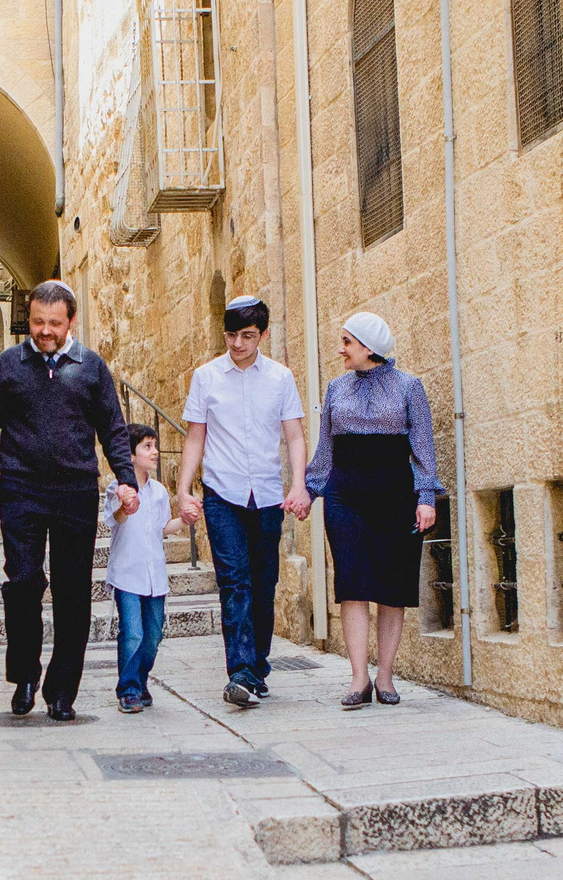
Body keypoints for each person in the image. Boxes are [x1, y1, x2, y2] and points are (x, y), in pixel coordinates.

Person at [0, 280, 140, 721]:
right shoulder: (9, 364)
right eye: (38, 322)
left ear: (71, 322)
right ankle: (25, 674)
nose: (45, 331)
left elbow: (113, 429)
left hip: (74, 492)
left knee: (72, 593)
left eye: (54, 324)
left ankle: (62, 691)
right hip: (21, 489)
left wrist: (126, 479)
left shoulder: (91, 368)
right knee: (23, 582)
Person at [175, 294, 309, 708]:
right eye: (231, 335)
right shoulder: (206, 377)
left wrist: (299, 485)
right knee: (234, 583)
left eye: (247, 336)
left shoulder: (281, 378)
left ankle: (257, 665)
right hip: (222, 494)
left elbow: (295, 436)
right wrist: (183, 489)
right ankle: (241, 673)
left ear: (263, 335)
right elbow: (196, 436)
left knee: (264, 585)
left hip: (268, 495)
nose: (237, 345)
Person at [303, 312, 440, 709]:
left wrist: (426, 498)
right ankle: (359, 677)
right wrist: (309, 492)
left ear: (368, 347)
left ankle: (385, 677)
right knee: (353, 584)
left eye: (346, 342)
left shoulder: (409, 387)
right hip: (345, 495)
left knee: (391, 589)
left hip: (395, 496)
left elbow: (424, 449)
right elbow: (326, 448)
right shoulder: (335, 387)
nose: (340, 349)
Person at [106, 424, 184, 712]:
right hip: (127, 575)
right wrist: (124, 507)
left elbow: (164, 527)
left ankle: (140, 680)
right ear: (131, 455)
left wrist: (185, 521)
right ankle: (127, 689)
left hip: (155, 577)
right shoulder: (116, 488)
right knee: (133, 633)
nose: (155, 452)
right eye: (147, 447)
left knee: (153, 635)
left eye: (155, 445)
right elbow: (115, 521)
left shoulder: (160, 492)